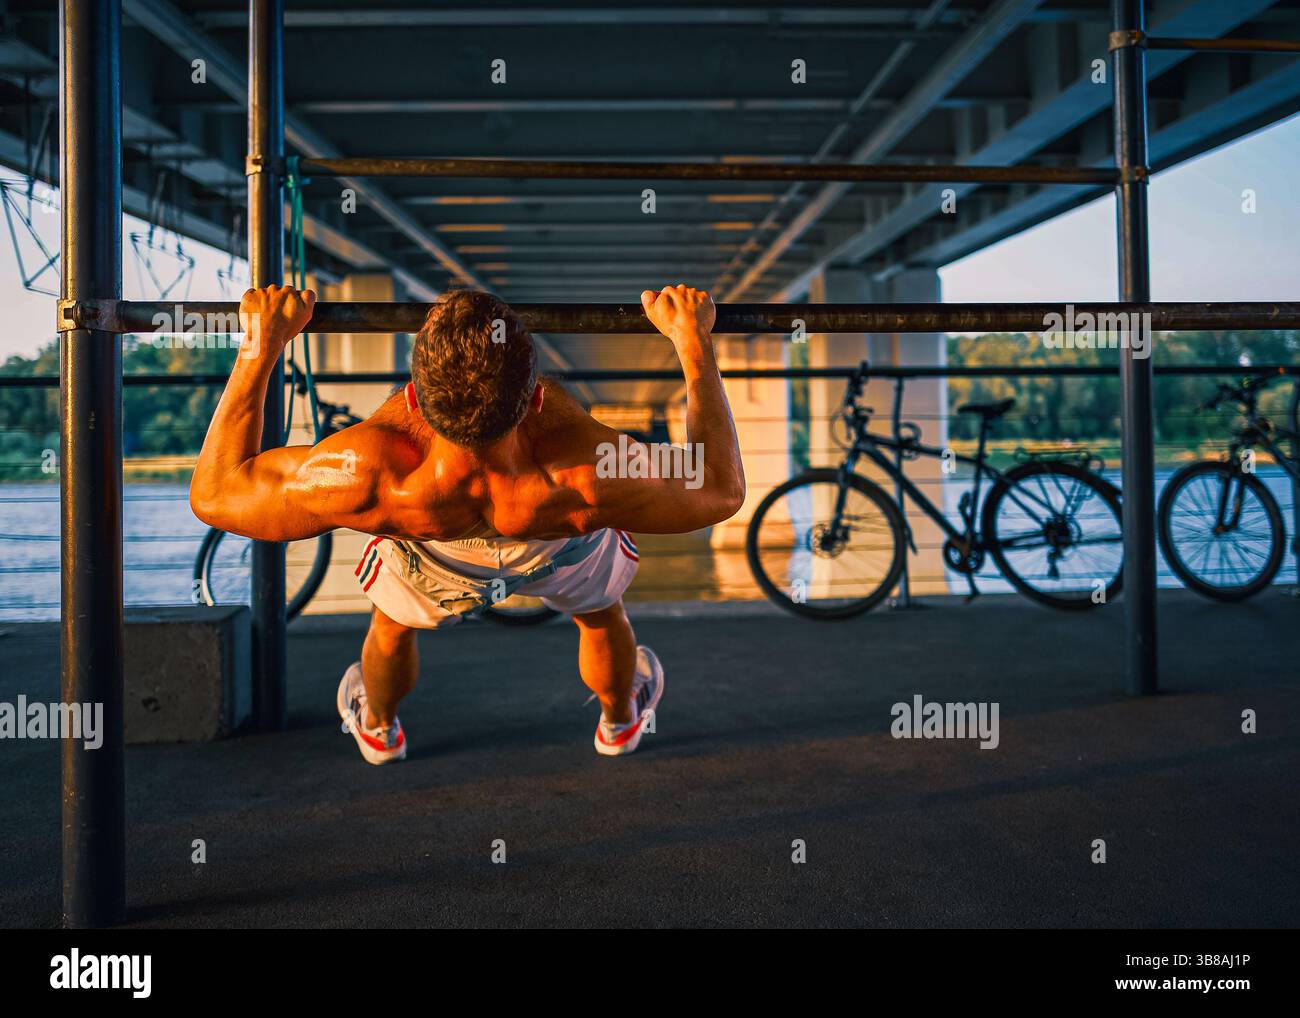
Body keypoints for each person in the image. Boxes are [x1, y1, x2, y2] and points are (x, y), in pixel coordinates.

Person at [190, 283, 744, 763]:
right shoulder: (586, 472)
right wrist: (692, 340)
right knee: (601, 615)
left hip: (428, 544)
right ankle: (620, 721)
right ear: (535, 400)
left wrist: (261, 343)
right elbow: (720, 487)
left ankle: (378, 726)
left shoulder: (367, 474)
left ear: (413, 398)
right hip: (555, 533)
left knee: (391, 625)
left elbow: (217, 494)